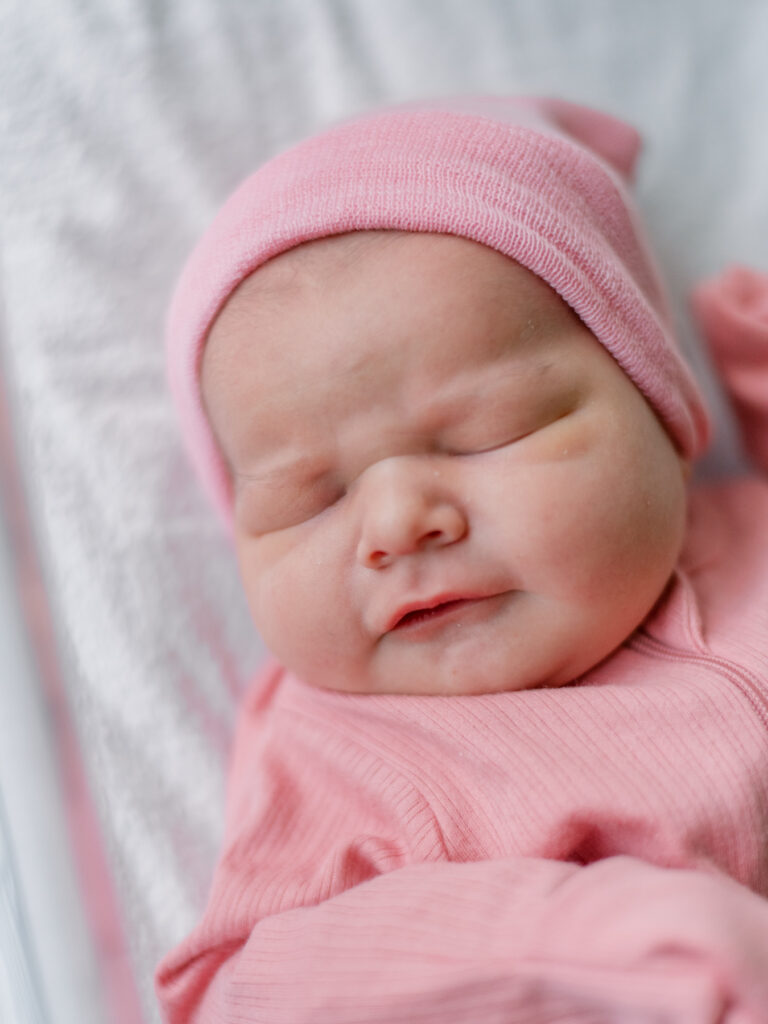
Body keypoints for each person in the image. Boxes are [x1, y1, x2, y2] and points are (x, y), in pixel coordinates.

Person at [155, 96, 768, 1022]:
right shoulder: (341, 751)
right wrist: (590, 942)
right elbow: (237, 987)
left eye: (489, 433)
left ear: (662, 407)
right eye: (310, 499)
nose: (397, 522)